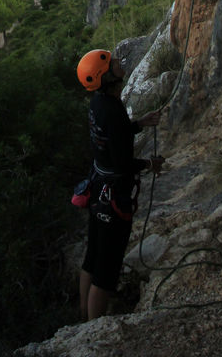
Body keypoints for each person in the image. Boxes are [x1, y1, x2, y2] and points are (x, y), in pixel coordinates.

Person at [75, 48, 165, 320]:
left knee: (92, 258)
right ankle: (92, 331)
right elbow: (123, 164)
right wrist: (151, 164)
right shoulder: (112, 109)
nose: (120, 63)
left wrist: (139, 123)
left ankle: (82, 316)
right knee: (106, 272)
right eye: (113, 63)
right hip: (113, 196)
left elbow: (111, 135)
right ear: (105, 76)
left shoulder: (99, 104)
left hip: (98, 189)